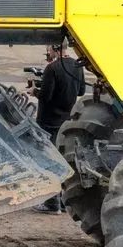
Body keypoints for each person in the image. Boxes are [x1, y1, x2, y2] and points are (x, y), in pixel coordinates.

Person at [33, 44, 86, 212]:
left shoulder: (52, 68)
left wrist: (34, 90)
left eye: (48, 49)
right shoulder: (77, 66)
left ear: (55, 49)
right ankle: (63, 202)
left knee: (48, 159)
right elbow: (81, 91)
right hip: (66, 119)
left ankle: (51, 203)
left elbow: (45, 96)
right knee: (62, 159)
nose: (47, 52)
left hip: (48, 120)